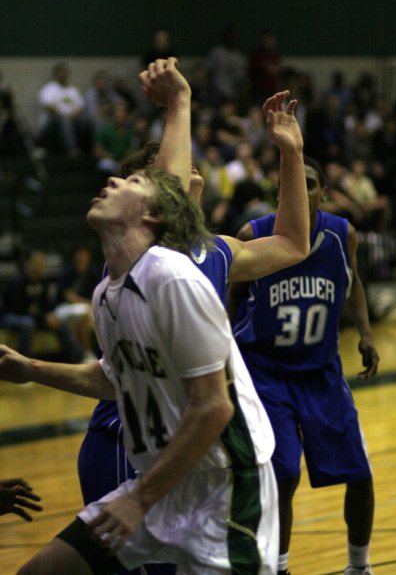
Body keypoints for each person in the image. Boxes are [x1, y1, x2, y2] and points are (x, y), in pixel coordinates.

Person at [77, 58, 310, 575]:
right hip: (127, 438)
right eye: (180, 169)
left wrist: (290, 154)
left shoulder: (216, 252)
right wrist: (178, 103)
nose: (194, 170)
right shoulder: (145, 251)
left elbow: (294, 244)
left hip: (197, 451)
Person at [0, 167, 280, 574]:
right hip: (163, 480)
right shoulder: (104, 295)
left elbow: (214, 408)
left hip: (225, 486)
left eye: (132, 182)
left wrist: (139, 499)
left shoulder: (172, 277)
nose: (113, 181)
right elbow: (112, 379)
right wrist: (30, 368)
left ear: (153, 216)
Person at [229, 155, 379, 575]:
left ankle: (359, 567)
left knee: (360, 473)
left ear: (322, 193)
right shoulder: (253, 235)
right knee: (284, 473)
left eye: (311, 183)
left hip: (321, 371)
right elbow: (235, 294)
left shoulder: (341, 235)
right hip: (267, 371)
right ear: (281, 193)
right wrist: (222, 346)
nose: (303, 190)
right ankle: (278, 567)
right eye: (294, 183)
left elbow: (354, 283)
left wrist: (365, 334)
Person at [0, 251, 84, 363]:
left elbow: (47, 306)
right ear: (28, 264)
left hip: (34, 317)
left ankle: (78, 358)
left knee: (57, 321)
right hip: (11, 316)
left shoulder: (42, 282)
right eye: (36, 264)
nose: (39, 268)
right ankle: (22, 364)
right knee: (27, 323)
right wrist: (43, 317)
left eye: (42, 265)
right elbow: (19, 309)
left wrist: (50, 315)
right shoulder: (16, 282)